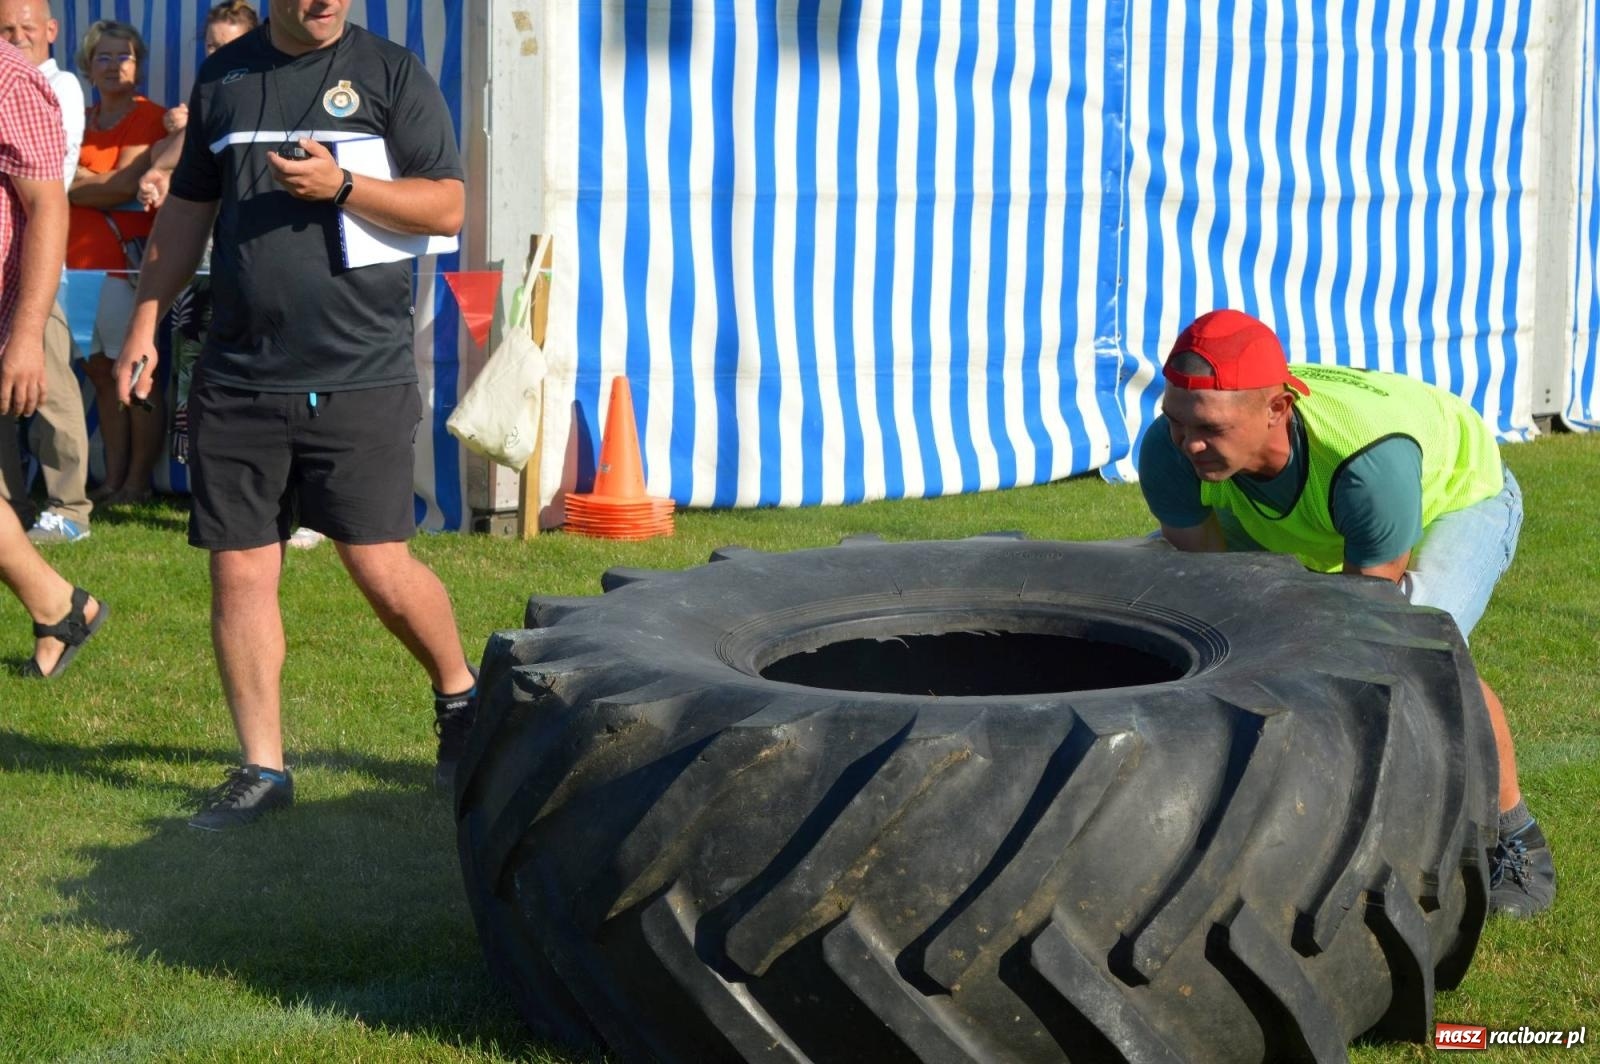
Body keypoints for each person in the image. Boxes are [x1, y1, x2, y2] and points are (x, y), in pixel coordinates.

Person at [116, 0, 475, 830]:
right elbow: (187, 211)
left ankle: (460, 695)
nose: (325, 3)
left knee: (379, 566)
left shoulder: (391, 73)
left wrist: (344, 185)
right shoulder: (225, 77)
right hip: (240, 370)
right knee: (239, 568)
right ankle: (263, 768)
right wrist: (146, 316)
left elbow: (448, 206)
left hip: (360, 372)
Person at [1138, 308, 1555, 918]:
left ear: (1277, 409)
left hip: (1454, 496)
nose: (1189, 443)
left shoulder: (1370, 465)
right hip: (1322, 504)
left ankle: (1516, 837)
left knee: (1408, 652)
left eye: (1209, 428)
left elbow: (1360, 623)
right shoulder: (1172, 451)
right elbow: (1214, 591)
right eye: (1176, 421)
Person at [0, 38, 105, 676]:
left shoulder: (11, 82)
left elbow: (48, 207)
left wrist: (26, 335)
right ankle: (59, 605)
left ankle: (60, 604)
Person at [0, 0, 92, 543]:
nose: (16, 37)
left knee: (48, 390)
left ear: (50, 31)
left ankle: (70, 507)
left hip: (29, 274)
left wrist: (26, 329)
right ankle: (13, 510)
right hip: (32, 261)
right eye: (5, 29)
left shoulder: (37, 83)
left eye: (24, 28)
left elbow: (56, 190)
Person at [67, 19, 166, 506]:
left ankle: (138, 482)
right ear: (87, 66)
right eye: (102, 57)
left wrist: (71, 180)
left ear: (138, 64)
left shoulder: (149, 118)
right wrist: (86, 183)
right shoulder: (77, 118)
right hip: (74, 268)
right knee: (102, 376)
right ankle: (113, 480)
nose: (113, 65)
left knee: (138, 374)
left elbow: (121, 187)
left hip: (125, 270)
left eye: (122, 56)